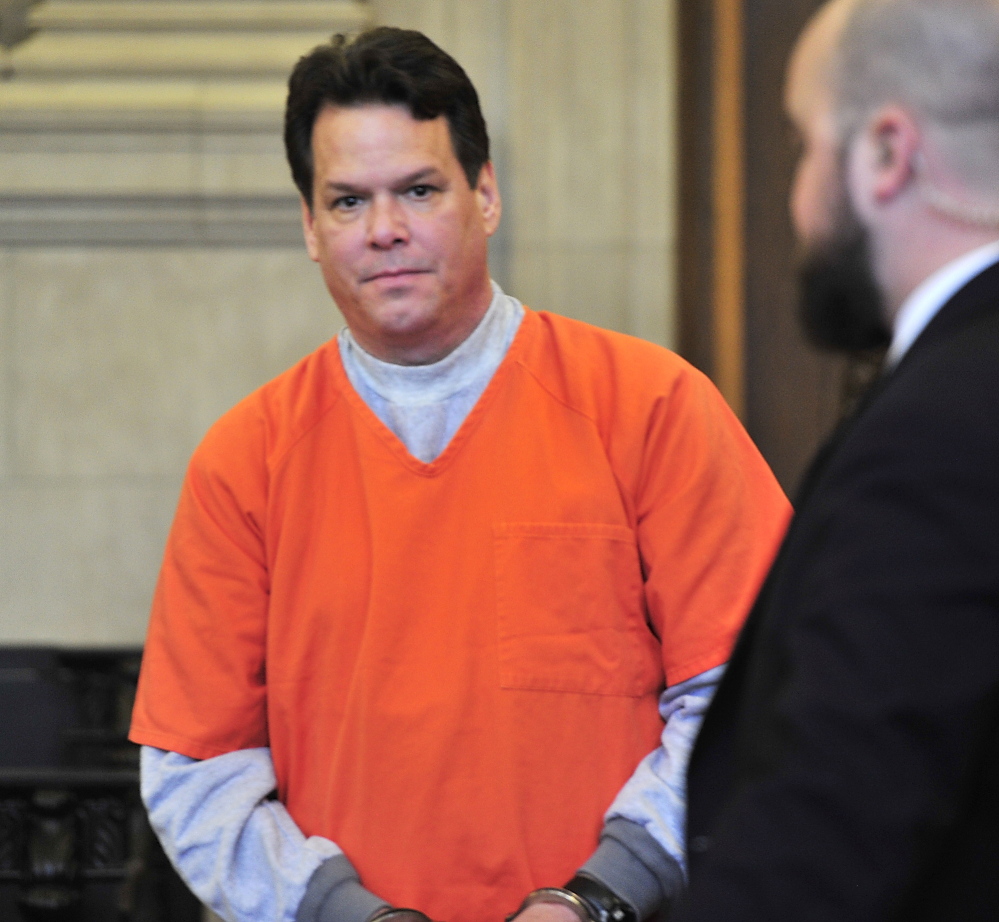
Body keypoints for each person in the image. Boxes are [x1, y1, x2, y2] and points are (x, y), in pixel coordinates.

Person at [128, 27, 789, 922]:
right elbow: (194, 765)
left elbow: (747, 694)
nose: (386, 229)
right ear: (309, 228)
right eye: (348, 201)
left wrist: (596, 898)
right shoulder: (246, 462)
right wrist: (342, 912)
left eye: (420, 190)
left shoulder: (651, 409)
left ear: (485, 195)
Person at [675, 0, 999, 919]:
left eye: (803, 144)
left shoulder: (937, 433)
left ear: (885, 155)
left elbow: (834, 825)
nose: (795, 196)